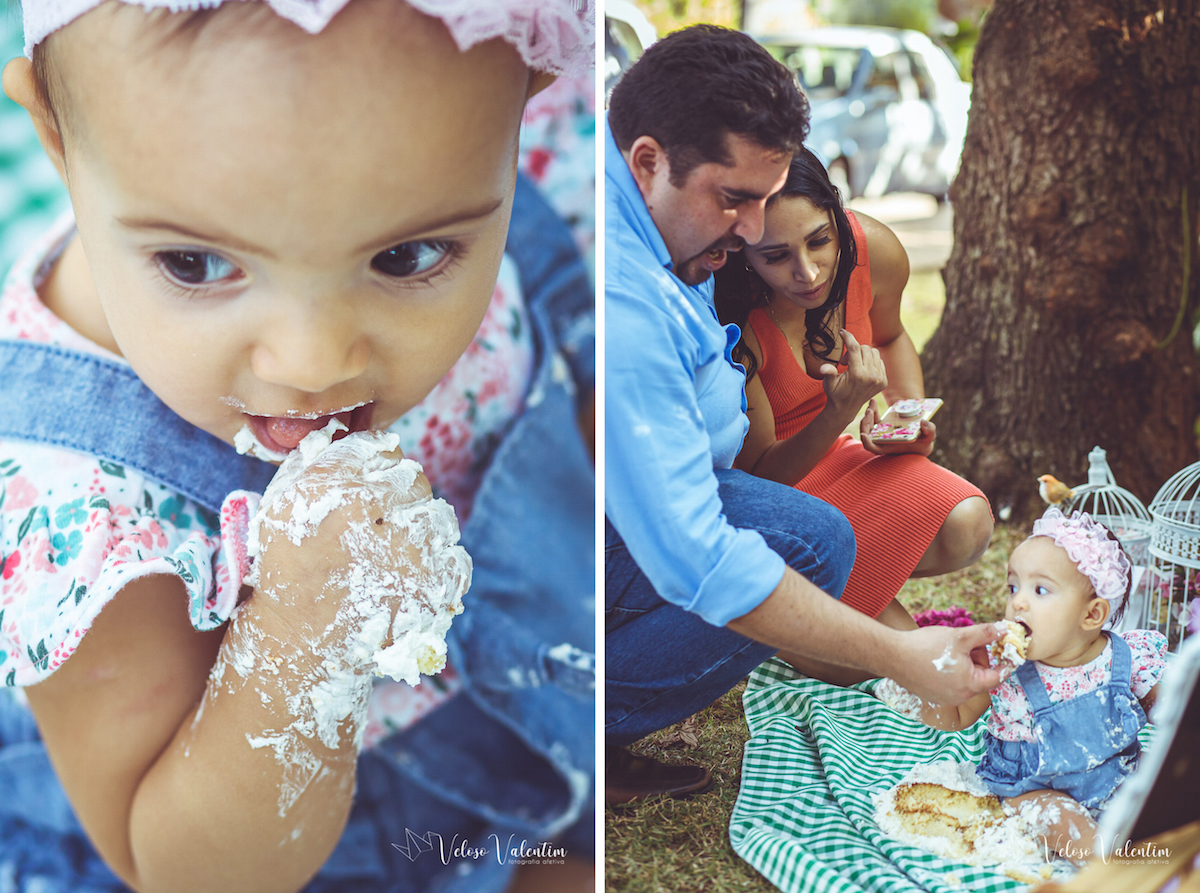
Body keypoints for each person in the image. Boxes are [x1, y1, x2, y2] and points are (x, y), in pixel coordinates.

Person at [0, 2, 595, 891]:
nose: (315, 364)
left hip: (542, 695)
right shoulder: (78, 499)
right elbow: (175, 865)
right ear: (53, 133)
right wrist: (301, 632)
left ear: (525, 112)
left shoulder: (507, 135)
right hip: (353, 845)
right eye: (195, 265)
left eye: (408, 257)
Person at [605, 23, 1005, 804]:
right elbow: (701, 556)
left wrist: (889, 413)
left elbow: (888, 333)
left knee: (829, 537)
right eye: (737, 202)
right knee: (815, 554)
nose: (756, 234)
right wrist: (903, 656)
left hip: (658, 501)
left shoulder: (684, 228)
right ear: (648, 162)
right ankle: (571, 729)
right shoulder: (630, 305)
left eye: (769, 202)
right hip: (581, 545)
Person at [712, 149, 993, 678]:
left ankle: (826, 597)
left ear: (838, 214)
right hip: (773, 492)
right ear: (744, 249)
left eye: (820, 239)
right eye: (776, 255)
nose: (808, 270)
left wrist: (905, 421)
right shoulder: (734, 317)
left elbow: (890, 335)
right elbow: (760, 478)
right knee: (875, 665)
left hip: (838, 460)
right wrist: (835, 413)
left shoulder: (875, 250)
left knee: (967, 522)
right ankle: (774, 610)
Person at [915, 508, 1166, 863]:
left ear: (1092, 615)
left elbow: (1170, 709)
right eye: (1014, 586)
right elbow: (957, 714)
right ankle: (1108, 864)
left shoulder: (1126, 659)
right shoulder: (1004, 670)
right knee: (1058, 818)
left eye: (1040, 589)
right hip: (1032, 789)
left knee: (1168, 790)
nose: (1017, 601)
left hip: (1116, 777)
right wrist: (917, 690)